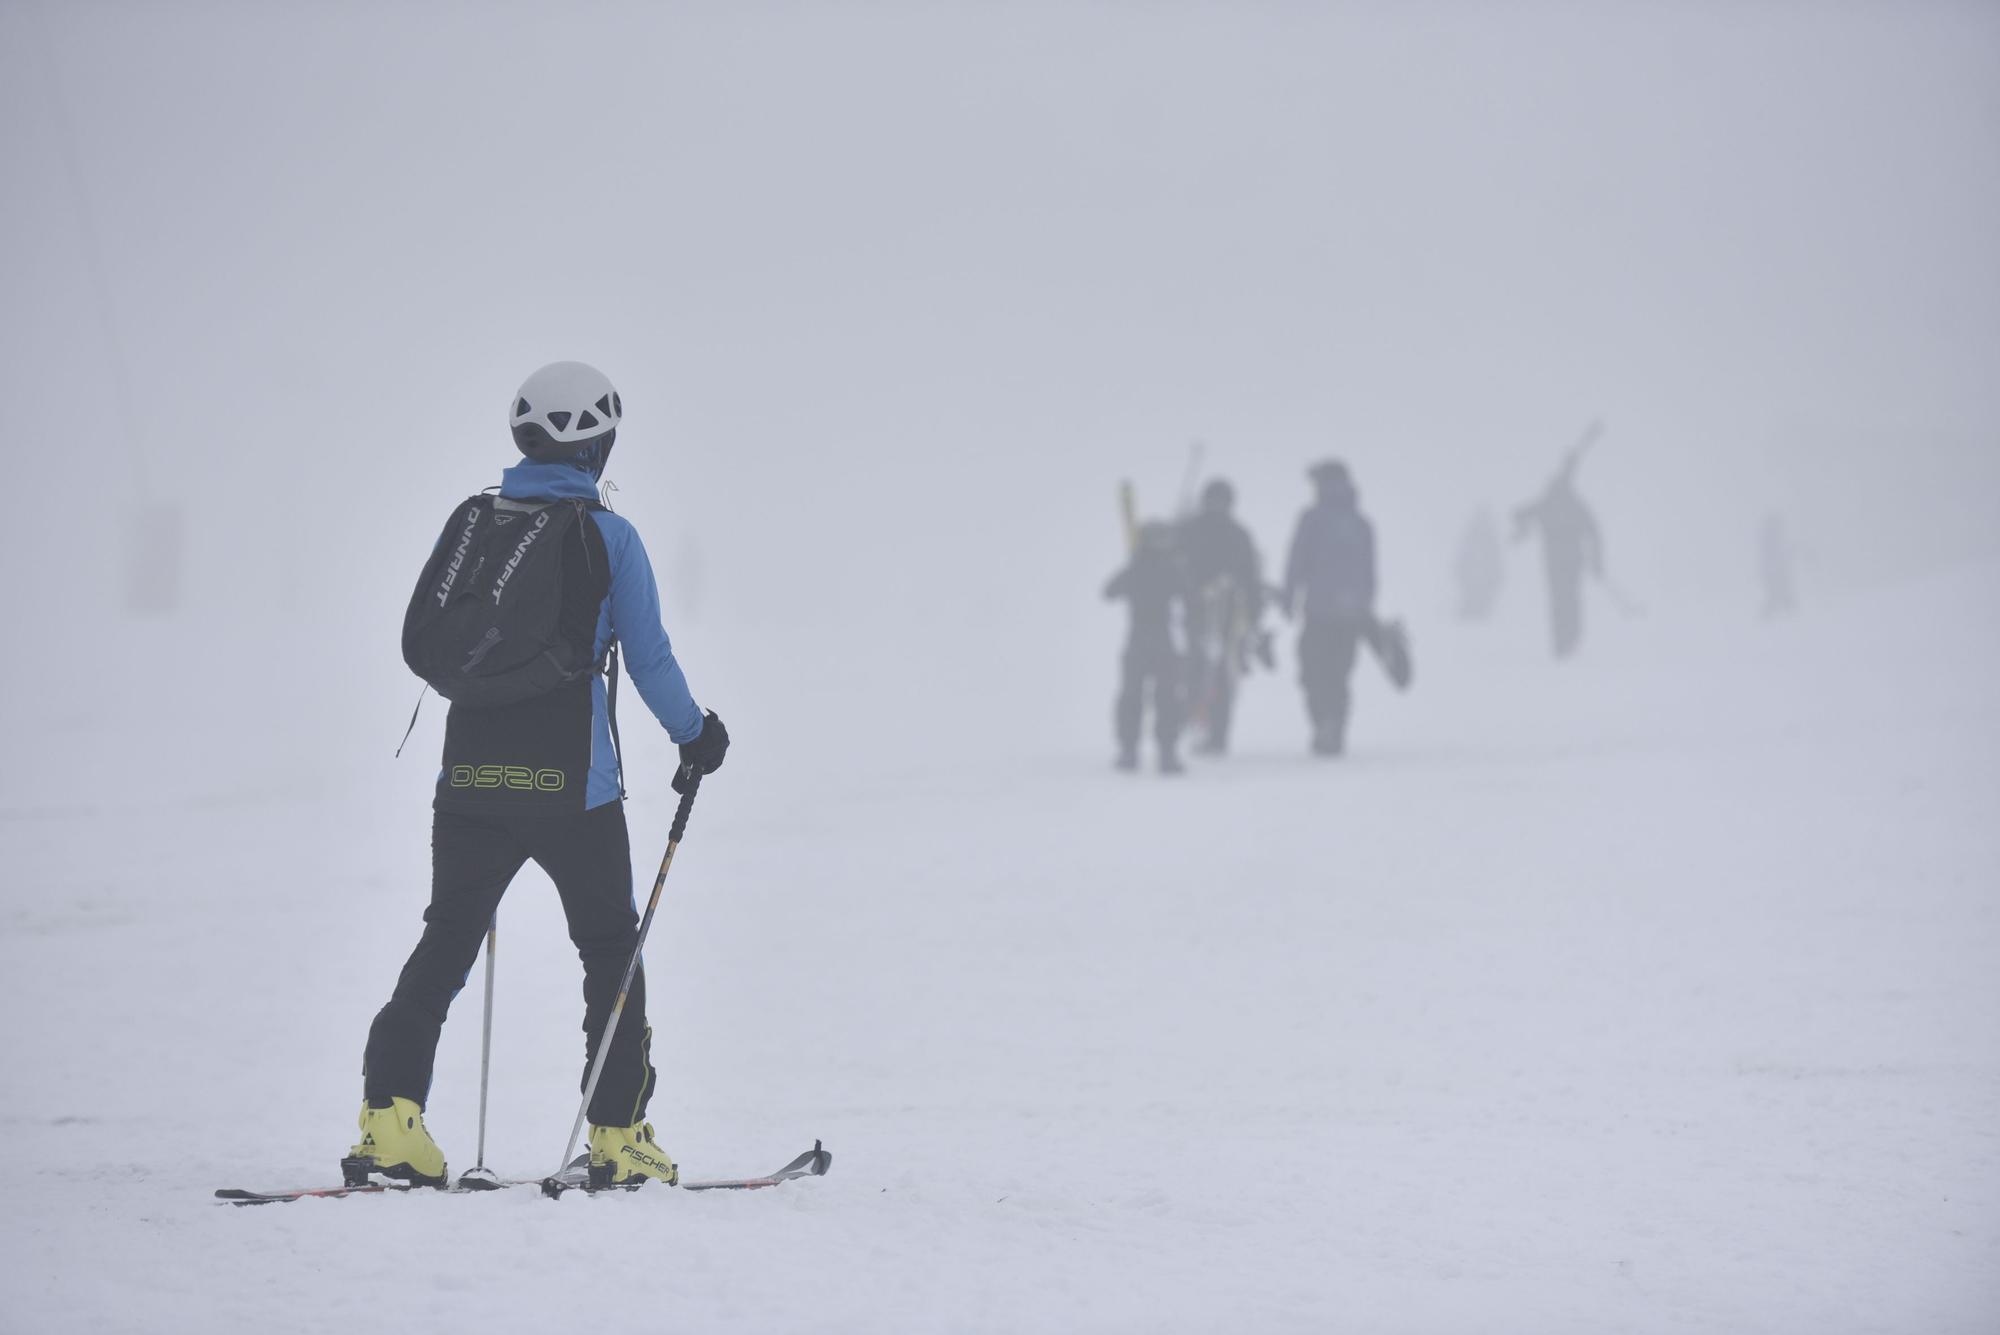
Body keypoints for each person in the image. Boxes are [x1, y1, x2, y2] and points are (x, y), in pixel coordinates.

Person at [348, 362, 730, 1190]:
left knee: (447, 938)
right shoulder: (607, 535)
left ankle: (389, 1126)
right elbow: (651, 657)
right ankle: (616, 1133)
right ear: (597, 441)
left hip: (471, 779)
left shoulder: (478, 521)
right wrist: (696, 736)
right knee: (609, 951)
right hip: (573, 788)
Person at [1281, 460, 1377, 756]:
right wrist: (1365, 608)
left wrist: (1289, 596)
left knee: (1313, 672)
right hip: (1351, 614)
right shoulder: (1361, 523)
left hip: (1319, 611)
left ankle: (1324, 724)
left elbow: (1297, 560)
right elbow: (1370, 572)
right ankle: (1335, 726)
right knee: (1339, 674)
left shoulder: (1312, 519)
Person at [1178, 478, 1267, 756]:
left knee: (1211, 670)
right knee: (1207, 669)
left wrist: (1253, 614)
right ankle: (1205, 725)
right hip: (1207, 610)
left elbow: (1251, 578)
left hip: (1220, 611)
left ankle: (1210, 729)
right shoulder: (1226, 533)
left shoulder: (1192, 529)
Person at [1104, 520, 1192, 775]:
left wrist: (1132, 571)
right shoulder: (1170, 569)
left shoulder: (1139, 569)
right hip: (1159, 641)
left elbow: (1109, 592)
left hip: (1140, 641)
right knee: (1164, 699)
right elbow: (1190, 598)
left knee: (1136, 698)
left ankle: (1132, 752)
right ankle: (1164, 754)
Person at [1513, 450, 1603, 658]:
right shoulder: (1567, 503)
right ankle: (1566, 641)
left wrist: (1522, 528)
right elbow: (1594, 531)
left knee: (1561, 602)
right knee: (1568, 601)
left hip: (1558, 564)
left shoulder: (1550, 502)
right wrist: (1597, 560)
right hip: (1567, 563)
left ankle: (1564, 642)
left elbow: (1519, 513)